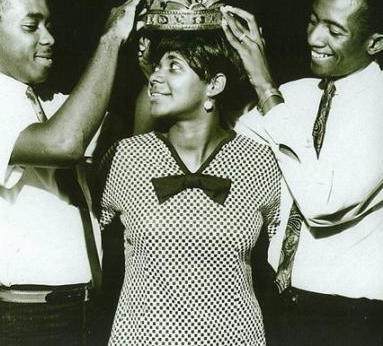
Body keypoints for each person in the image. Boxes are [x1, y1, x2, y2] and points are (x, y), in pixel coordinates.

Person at [222, 0, 383, 346]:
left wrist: (265, 86)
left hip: (353, 317)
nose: (314, 38)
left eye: (335, 30)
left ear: (375, 43)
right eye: (314, 20)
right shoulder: (294, 95)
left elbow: (323, 205)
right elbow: (224, 147)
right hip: (278, 303)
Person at [98, 22, 282, 345]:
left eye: (173, 67)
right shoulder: (127, 157)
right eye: (156, 67)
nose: (155, 77)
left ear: (214, 85)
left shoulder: (259, 161)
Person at [0, 0, 143, 346]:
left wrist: (150, 63)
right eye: (31, 26)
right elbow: (65, 144)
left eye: (49, 25)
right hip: (26, 319)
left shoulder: (36, 102)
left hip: (79, 310)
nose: (49, 38)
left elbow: (126, 131)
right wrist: (111, 39)